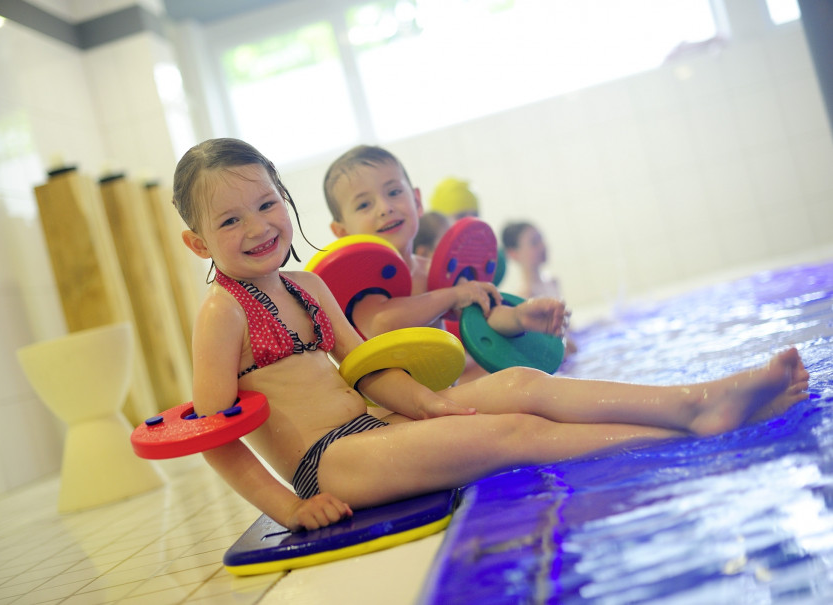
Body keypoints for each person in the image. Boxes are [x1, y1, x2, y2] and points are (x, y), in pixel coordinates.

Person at [174, 138, 810, 533]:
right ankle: (693, 430)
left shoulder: (306, 288)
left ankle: (695, 403)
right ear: (198, 241)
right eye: (231, 219)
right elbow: (215, 432)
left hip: (375, 427)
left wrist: (428, 405)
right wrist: (288, 508)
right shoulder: (222, 313)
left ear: (285, 202)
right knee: (514, 435)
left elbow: (364, 366)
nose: (258, 227)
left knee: (523, 383)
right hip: (328, 463)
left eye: (267, 204)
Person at [323, 145, 565, 345]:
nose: (385, 207)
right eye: (364, 205)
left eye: (394, 192)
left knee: (523, 381)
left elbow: (483, 316)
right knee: (526, 385)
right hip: (392, 404)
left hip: (447, 394)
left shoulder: (436, 272)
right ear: (342, 232)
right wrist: (451, 296)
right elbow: (382, 323)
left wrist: (519, 317)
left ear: (417, 202)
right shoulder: (361, 286)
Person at [500, 220, 577, 354]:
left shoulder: (553, 282)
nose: (542, 246)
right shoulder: (524, 297)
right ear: (513, 253)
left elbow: (569, 329)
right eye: (534, 243)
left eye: (541, 239)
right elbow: (542, 350)